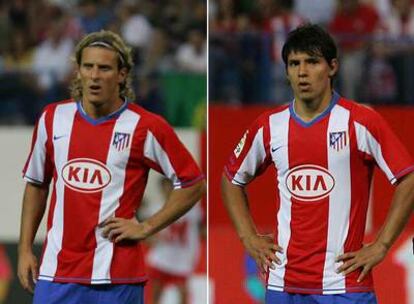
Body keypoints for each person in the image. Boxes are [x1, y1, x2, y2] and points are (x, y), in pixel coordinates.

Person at [221, 23, 414, 304]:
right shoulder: (269, 126)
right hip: (283, 285)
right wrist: (248, 237)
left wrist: (382, 245)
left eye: (312, 62)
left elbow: (408, 178)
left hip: (344, 284)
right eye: (294, 63)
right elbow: (231, 179)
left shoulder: (360, 122)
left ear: (332, 67)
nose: (302, 72)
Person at [17, 30, 205, 304]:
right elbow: (36, 184)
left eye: (104, 68)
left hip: (118, 280)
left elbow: (193, 183)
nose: (94, 75)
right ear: (78, 71)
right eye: (88, 66)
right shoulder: (52, 118)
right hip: (56, 275)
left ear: (122, 74)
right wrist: (24, 250)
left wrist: (147, 226)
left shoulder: (145, 126)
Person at [146, 178, 202, 304]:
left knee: (183, 294)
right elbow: (147, 235)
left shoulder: (191, 207)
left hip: (182, 258)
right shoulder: (156, 208)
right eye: (165, 188)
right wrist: (153, 239)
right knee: (155, 293)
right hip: (161, 257)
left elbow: (199, 230)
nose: (168, 191)